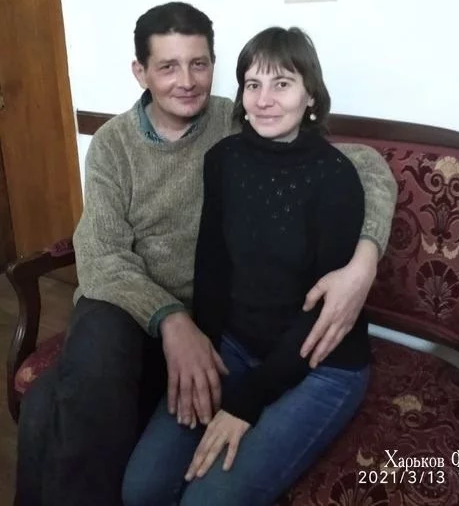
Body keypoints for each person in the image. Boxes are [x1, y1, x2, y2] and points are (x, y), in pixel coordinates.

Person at [15, 3, 396, 506]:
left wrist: (364, 260)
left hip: (209, 320)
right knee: (93, 365)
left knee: (45, 403)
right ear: (141, 72)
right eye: (168, 66)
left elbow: (361, 165)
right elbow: (102, 256)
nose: (187, 81)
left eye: (199, 64)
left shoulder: (233, 120)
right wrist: (172, 319)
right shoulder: (112, 144)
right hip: (129, 306)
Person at [122, 26, 372, 506]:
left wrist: (247, 399)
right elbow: (212, 270)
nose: (264, 99)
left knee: (206, 502)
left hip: (321, 361)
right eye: (253, 84)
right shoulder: (223, 160)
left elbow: (323, 318)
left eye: (282, 84)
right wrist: (205, 357)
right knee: (141, 488)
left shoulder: (336, 178)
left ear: (311, 96)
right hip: (236, 347)